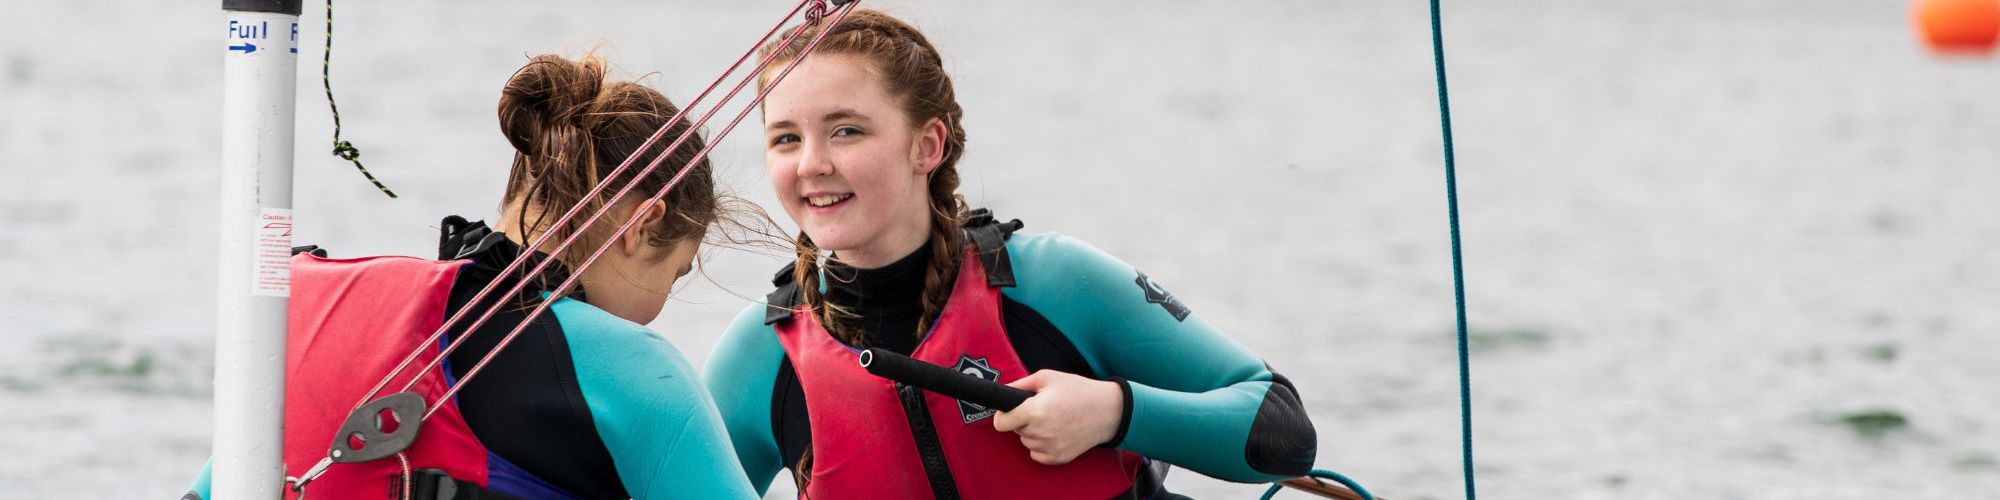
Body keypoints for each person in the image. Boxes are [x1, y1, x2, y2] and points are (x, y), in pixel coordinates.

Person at [702, 10, 1318, 499]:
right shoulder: (761, 354)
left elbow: (1281, 430)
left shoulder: (1052, 283)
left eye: (846, 130)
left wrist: (1113, 412)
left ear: (926, 146)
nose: (811, 163)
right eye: (786, 138)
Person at [186, 53, 758, 500]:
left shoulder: (307, 311)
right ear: (639, 225)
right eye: (674, 274)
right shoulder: (640, 370)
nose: (660, 304)